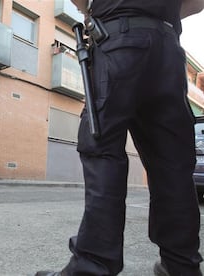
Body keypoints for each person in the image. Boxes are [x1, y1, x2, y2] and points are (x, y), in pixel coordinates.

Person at [36, 0, 204, 275]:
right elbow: (196, 4)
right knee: (172, 164)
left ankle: (93, 266)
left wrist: (90, 10)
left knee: (102, 152)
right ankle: (181, 266)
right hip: (167, 47)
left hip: (119, 41)